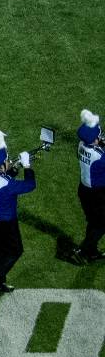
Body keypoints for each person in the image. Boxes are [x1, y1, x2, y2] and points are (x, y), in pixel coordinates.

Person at [0, 131, 34, 295]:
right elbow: (30, 185)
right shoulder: (7, 185)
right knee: (15, 250)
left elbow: (3, 178)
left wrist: (13, 168)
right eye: (7, 160)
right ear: (1, 165)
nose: (9, 161)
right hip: (5, 222)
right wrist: (27, 166)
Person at [74, 110, 104, 264]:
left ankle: (91, 252)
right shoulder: (100, 156)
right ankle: (83, 251)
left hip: (84, 190)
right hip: (98, 194)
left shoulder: (81, 145)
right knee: (101, 224)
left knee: (94, 222)